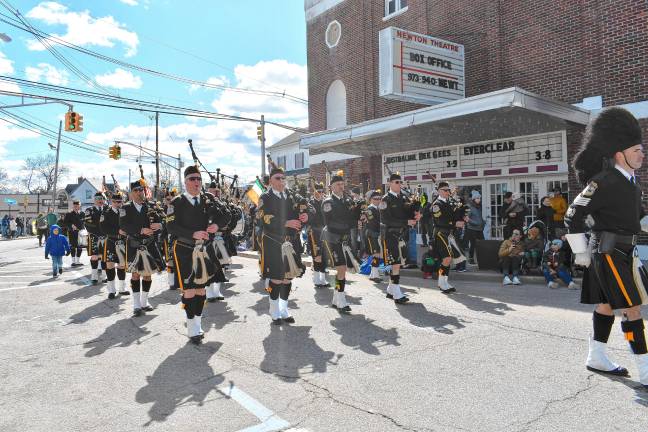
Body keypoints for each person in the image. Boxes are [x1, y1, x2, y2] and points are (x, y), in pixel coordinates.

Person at [565, 107, 647, 388]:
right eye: (636, 150)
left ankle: (597, 355)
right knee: (632, 308)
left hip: (626, 252)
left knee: (606, 305)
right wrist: (580, 251)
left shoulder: (633, 185)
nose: (642, 154)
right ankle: (646, 370)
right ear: (619, 153)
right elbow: (571, 215)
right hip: (609, 252)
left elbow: (639, 219)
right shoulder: (602, 181)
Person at [256, 166, 308, 324]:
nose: (281, 181)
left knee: (287, 278)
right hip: (273, 241)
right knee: (276, 279)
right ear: (270, 181)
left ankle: (284, 309)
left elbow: (308, 206)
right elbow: (263, 218)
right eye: (277, 178)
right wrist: (286, 222)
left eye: (283, 178)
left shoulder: (293, 196)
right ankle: (274, 310)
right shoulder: (265, 197)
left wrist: (307, 215)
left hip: (291, 241)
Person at [121, 180, 164, 318]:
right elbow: (123, 226)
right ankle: (136, 305)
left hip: (149, 244)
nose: (139, 193)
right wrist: (141, 230)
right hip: (134, 245)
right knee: (135, 274)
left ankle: (144, 302)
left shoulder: (151, 206)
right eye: (136, 190)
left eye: (141, 190)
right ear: (131, 193)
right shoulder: (125, 208)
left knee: (147, 273)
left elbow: (164, 219)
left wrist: (160, 225)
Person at [321, 170, 360, 312]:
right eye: (338, 184)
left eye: (342, 184)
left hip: (345, 239)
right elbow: (329, 223)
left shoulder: (348, 201)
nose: (341, 187)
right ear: (331, 187)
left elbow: (352, 218)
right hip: (333, 239)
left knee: (342, 271)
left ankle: (337, 296)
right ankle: (341, 298)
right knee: (341, 268)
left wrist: (358, 214)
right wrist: (349, 224)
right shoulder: (328, 202)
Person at [381, 172, 420, 301]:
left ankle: (391, 289)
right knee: (396, 263)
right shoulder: (385, 199)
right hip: (390, 234)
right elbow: (386, 220)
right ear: (390, 184)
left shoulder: (404, 197)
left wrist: (416, 214)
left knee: (398, 263)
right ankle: (397, 293)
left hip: (402, 234)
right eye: (397, 182)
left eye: (400, 182)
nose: (399, 184)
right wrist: (406, 222)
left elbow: (408, 213)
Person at [431, 181, 463, 293]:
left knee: (448, 259)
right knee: (447, 258)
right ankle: (441, 282)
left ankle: (444, 281)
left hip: (449, 234)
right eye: (445, 190)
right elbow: (440, 221)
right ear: (439, 191)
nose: (447, 192)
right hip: (440, 233)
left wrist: (462, 217)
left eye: (448, 190)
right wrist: (455, 224)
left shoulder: (449, 203)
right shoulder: (436, 205)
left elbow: (454, 216)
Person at [100, 191, 130, 299]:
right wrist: (118, 231)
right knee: (110, 265)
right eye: (116, 202)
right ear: (112, 202)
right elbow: (103, 228)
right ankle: (111, 290)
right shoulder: (106, 212)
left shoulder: (125, 212)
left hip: (122, 242)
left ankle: (122, 288)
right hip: (111, 241)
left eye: (120, 201)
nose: (118, 203)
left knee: (122, 265)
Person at [84, 192, 108, 284]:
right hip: (94, 236)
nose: (100, 201)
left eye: (101, 199)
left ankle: (104, 277)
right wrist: (101, 228)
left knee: (104, 257)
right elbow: (88, 224)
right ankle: (94, 277)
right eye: (98, 199)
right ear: (94, 200)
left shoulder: (107, 209)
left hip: (106, 237)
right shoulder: (89, 210)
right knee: (94, 257)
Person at [308, 181, 329, 288]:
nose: (320, 193)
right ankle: (316, 279)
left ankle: (323, 279)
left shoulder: (325, 203)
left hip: (325, 232)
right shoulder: (310, 203)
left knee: (324, 255)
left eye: (322, 191)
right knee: (317, 255)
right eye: (318, 191)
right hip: (314, 232)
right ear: (314, 191)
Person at [364, 190, 383, 282]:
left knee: (377, 254)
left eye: (379, 198)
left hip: (377, 233)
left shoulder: (378, 209)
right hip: (372, 233)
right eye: (376, 199)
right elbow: (373, 223)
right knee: (376, 253)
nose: (378, 200)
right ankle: (375, 275)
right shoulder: (369, 210)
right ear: (371, 199)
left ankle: (373, 274)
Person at [464, 190, 485, 265]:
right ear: (473, 199)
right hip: (472, 229)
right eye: (477, 198)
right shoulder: (469, 207)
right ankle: (471, 259)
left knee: (482, 244)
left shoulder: (479, 207)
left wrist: (483, 222)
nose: (479, 200)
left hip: (480, 229)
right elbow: (466, 218)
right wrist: (475, 223)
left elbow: (479, 217)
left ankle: (483, 259)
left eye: (479, 198)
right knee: (473, 244)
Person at [63, 201, 85, 266]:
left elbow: (85, 222)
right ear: (73, 206)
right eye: (75, 206)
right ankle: (73, 261)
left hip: (81, 233)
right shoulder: (69, 214)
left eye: (77, 206)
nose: (76, 207)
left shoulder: (82, 213)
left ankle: (78, 261)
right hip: (72, 232)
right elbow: (65, 222)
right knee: (73, 246)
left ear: (79, 206)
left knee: (80, 246)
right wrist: (71, 225)